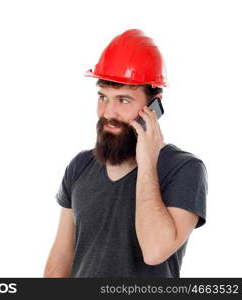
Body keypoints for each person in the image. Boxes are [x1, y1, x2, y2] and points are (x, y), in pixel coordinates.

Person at [43, 29, 208, 278]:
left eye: (123, 100)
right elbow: (62, 255)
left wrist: (147, 162)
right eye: (103, 97)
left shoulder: (184, 169)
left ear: (153, 105)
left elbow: (155, 251)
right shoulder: (80, 166)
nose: (108, 112)